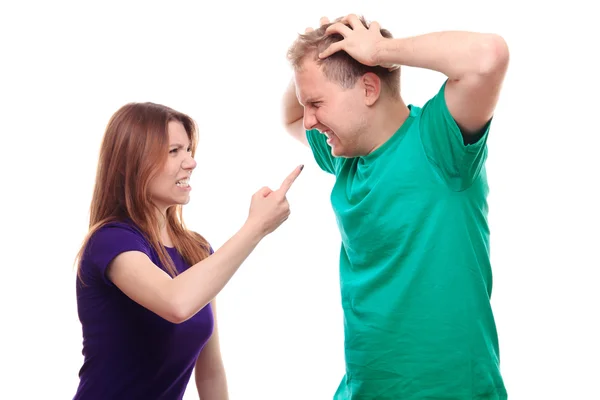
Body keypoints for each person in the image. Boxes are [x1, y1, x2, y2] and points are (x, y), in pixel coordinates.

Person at [282, 14, 510, 399]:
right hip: (364, 388)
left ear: (369, 89)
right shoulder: (345, 156)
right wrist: (313, 48)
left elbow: (489, 56)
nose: (309, 120)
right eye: (308, 105)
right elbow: (290, 116)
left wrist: (382, 51)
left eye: (317, 103)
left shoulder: (439, 144)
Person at [73, 102, 303, 399]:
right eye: (174, 151)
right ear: (134, 162)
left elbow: (210, 371)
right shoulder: (109, 242)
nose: (191, 162)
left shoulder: (196, 249)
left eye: (189, 150)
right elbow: (176, 303)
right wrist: (255, 227)